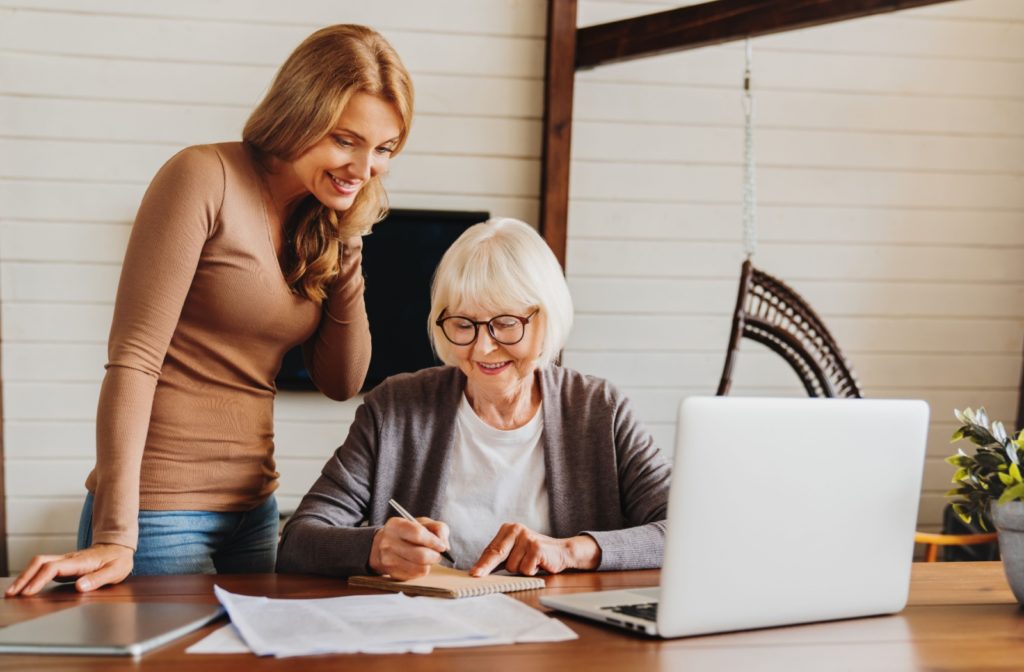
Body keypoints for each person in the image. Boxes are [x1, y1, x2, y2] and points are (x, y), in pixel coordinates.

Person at [6, 24, 414, 596]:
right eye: (346, 140)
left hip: (255, 509)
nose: (364, 167)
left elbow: (343, 381)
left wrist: (348, 242)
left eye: (384, 149)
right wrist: (116, 533)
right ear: (300, 114)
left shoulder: (321, 221)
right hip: (160, 512)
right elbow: (134, 359)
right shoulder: (204, 178)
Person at [276, 218, 670, 580]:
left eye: (505, 324)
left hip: (562, 639)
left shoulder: (599, 409)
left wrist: (572, 550)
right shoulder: (395, 409)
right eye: (463, 324)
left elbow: (684, 530)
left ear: (546, 319)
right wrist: (375, 547)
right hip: (427, 634)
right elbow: (298, 542)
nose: (483, 348)